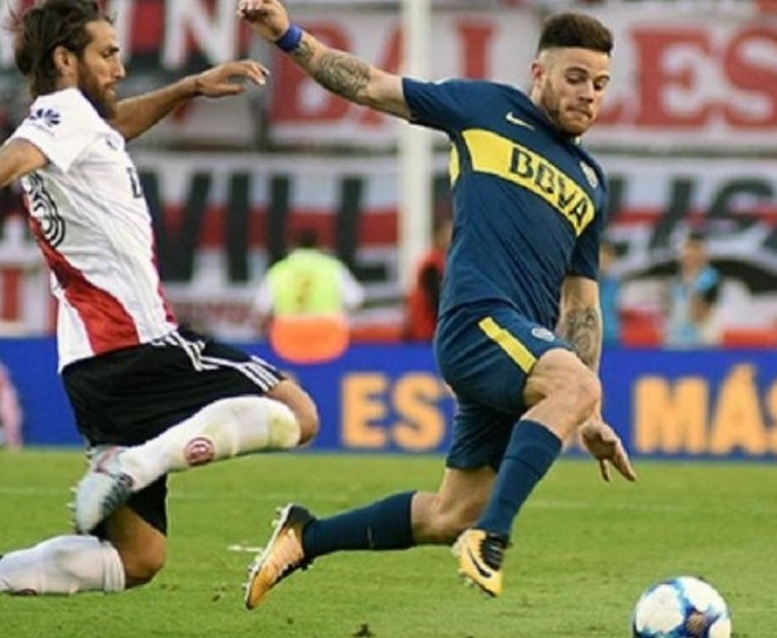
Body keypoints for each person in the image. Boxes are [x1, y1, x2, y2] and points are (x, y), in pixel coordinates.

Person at [0, 2, 318, 637]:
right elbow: (15, 155)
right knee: (298, 414)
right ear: (64, 60)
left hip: (89, 369)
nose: (120, 68)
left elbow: (112, 126)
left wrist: (187, 87)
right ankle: (135, 464)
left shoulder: (79, 127)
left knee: (137, 557)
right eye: (107, 54)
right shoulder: (60, 114)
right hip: (138, 341)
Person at [238, 0, 636, 607]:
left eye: (600, 84)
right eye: (576, 77)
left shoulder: (590, 180)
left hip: (518, 348)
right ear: (540, 73)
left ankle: (305, 536)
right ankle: (492, 538)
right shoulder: (486, 109)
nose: (588, 94)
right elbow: (370, 85)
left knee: (448, 514)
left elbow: (582, 301)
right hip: (479, 320)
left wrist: (589, 408)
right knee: (568, 394)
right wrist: (288, 35)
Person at [251, 228, 364, 362]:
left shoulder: (279, 270)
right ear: (318, 246)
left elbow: (261, 308)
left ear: (293, 246)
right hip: (328, 336)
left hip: (288, 337)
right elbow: (355, 300)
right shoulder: (333, 268)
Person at [664, 231, 721, 348]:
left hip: (701, 344)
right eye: (687, 248)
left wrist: (692, 291)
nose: (690, 254)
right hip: (675, 343)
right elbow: (670, 312)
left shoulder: (710, 278)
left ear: (704, 253)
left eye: (695, 249)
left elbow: (699, 316)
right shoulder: (676, 280)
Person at [404, 216, 453, 341]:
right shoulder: (431, 266)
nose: (450, 239)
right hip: (427, 330)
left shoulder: (445, 262)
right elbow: (436, 299)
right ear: (437, 237)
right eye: (446, 235)